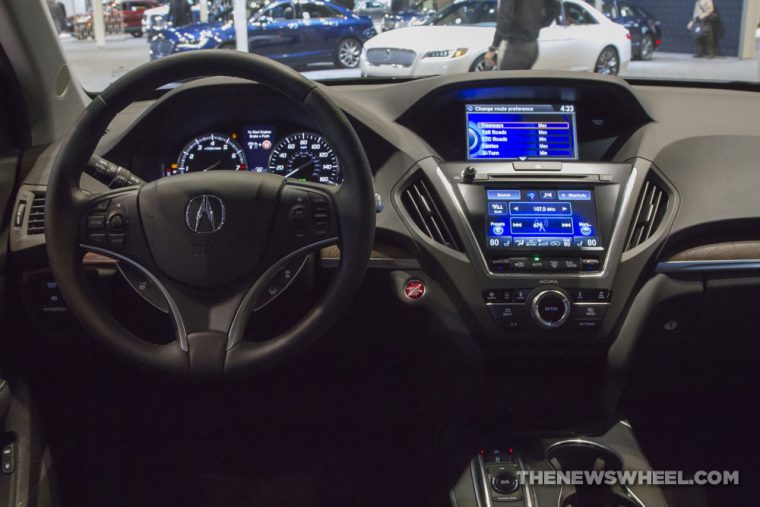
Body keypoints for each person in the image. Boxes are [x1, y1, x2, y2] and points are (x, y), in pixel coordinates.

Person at [484, 0, 556, 71]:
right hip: (533, 46)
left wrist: (493, 47)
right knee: (520, 80)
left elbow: (505, 17)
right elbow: (555, 5)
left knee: (506, 80)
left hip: (517, 47)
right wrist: (539, 24)